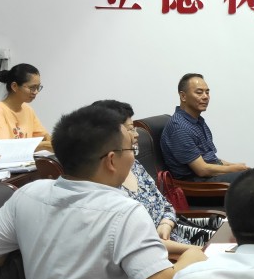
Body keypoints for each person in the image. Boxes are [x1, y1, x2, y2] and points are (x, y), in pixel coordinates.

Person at [0, 104, 205, 279]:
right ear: (111, 160)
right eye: (131, 149)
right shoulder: (123, 211)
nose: (134, 156)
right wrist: (192, 255)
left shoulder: (28, 193)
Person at [92, 100, 217, 251]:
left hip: (176, 233)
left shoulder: (134, 165)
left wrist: (166, 223)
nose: (136, 134)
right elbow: (141, 244)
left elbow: (165, 205)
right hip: (164, 252)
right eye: (130, 129)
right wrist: (200, 252)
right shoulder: (105, 189)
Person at [160, 73, 248, 182]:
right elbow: (202, 170)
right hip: (197, 183)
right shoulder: (179, 128)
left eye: (207, 92)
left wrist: (234, 166)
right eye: (199, 92)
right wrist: (234, 169)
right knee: (250, 179)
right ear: (183, 96)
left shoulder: (197, 121)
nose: (205, 96)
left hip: (208, 176)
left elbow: (211, 158)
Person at [0, 63, 53, 155]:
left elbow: (44, 137)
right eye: (32, 88)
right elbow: (4, 149)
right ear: (14, 86)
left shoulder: (28, 110)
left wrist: (51, 141)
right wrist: (43, 146)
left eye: (38, 87)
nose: (36, 92)